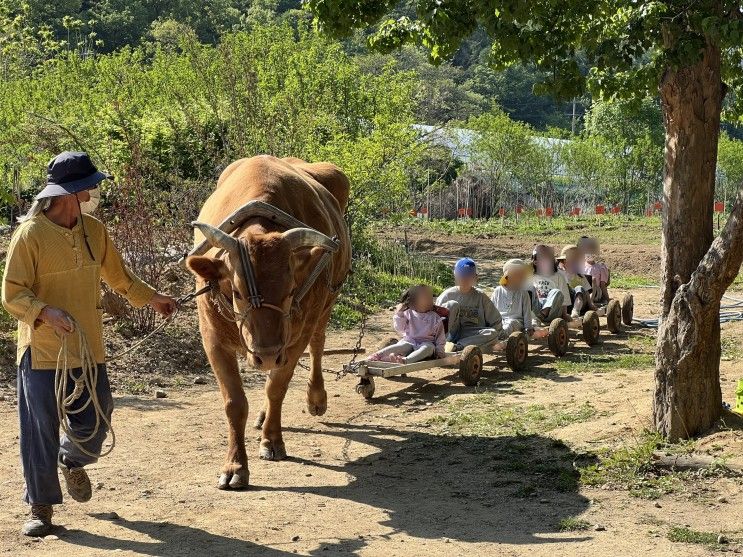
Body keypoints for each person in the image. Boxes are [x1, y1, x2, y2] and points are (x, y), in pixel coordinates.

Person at [2, 151, 177, 537]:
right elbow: (12, 294)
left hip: (88, 347)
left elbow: (121, 279)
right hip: (43, 352)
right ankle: (41, 507)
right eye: (90, 185)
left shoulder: (94, 230)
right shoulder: (30, 235)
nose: (95, 190)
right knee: (39, 431)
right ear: (70, 192)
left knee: (96, 423)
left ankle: (72, 459)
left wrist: (155, 297)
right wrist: (45, 312)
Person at [436, 258, 503, 351]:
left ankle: (458, 346)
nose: (465, 278)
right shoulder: (447, 295)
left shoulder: (481, 296)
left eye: (468, 275)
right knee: (452, 304)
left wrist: (494, 338)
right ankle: (443, 344)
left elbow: (496, 320)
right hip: (451, 333)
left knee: (493, 333)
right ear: (455, 275)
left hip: (471, 334)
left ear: (475, 277)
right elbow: (435, 320)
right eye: (462, 275)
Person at [368, 284, 445, 363]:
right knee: (401, 346)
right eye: (426, 296)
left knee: (428, 348)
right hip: (409, 341)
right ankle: (378, 355)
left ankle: (405, 360)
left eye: (430, 296)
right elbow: (399, 328)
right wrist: (399, 313)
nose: (430, 299)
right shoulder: (407, 313)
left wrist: (440, 351)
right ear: (414, 300)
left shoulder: (435, 317)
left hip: (426, 343)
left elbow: (440, 338)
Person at [491, 258, 534, 336]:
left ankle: (501, 337)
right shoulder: (497, 291)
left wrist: (528, 327)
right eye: (517, 275)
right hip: (500, 321)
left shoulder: (523, 293)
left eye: (522, 276)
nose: (521, 278)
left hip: (517, 322)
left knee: (511, 324)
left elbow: (527, 313)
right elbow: (491, 310)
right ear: (508, 276)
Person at [529, 244, 571, 323]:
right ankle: (534, 317)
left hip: (552, 312)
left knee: (556, 292)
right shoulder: (531, 276)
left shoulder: (559, 276)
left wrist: (564, 314)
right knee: (529, 288)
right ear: (536, 262)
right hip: (537, 311)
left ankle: (544, 313)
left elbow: (565, 298)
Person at [556, 245, 595, 319]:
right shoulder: (560, 274)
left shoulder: (580, 275)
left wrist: (590, 304)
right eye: (570, 261)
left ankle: (576, 311)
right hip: (566, 304)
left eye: (575, 261)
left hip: (580, 302)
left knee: (579, 288)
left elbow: (586, 291)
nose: (572, 263)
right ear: (563, 262)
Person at [578, 236, 610, 304]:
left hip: (595, 292)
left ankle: (590, 302)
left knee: (593, 281)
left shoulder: (601, 267)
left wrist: (608, 299)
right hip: (582, 291)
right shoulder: (579, 266)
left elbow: (603, 286)